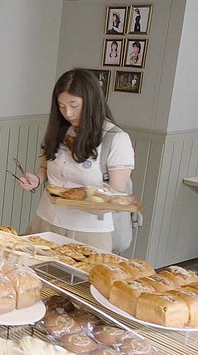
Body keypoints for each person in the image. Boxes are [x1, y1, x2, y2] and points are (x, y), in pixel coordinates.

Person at [17, 69, 134, 251]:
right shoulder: (61, 129)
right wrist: (37, 179)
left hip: (87, 231)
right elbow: (45, 166)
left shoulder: (116, 139)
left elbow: (115, 195)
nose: (68, 113)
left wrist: (73, 199)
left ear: (91, 101)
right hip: (45, 220)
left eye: (74, 105)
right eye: (61, 106)